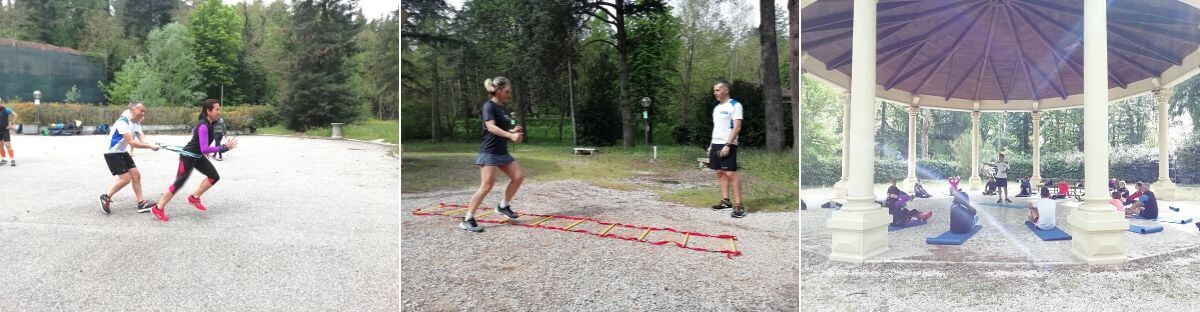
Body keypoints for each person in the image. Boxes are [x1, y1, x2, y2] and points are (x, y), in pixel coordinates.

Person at [145, 99, 239, 221]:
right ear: (208, 111)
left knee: (213, 176)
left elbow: (201, 145)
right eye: (217, 109)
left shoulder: (210, 123)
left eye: (219, 109)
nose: (219, 112)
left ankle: (194, 197)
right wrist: (224, 147)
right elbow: (204, 148)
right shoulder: (203, 125)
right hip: (188, 157)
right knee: (179, 182)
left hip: (197, 156)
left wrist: (206, 151)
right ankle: (158, 208)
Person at [459, 77, 525, 232]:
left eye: (510, 92)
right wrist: (510, 136)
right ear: (499, 90)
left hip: (502, 151)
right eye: (507, 91)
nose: (510, 95)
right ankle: (467, 219)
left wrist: (513, 131)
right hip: (489, 151)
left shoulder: (503, 108)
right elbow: (490, 127)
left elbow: (502, 130)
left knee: (518, 177)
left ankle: (503, 206)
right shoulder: (488, 106)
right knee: (487, 185)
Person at [99, 102, 160, 213]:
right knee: (125, 179)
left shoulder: (136, 124)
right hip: (112, 153)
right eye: (141, 110)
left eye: (144, 111)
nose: (143, 113)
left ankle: (141, 203)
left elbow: (143, 140)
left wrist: (154, 144)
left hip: (122, 152)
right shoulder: (123, 122)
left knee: (136, 175)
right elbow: (132, 142)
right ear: (133, 110)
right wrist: (150, 147)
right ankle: (105, 197)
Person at [707, 79, 747, 218]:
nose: (715, 93)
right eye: (714, 91)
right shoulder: (717, 108)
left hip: (728, 143)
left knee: (730, 174)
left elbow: (737, 127)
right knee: (719, 172)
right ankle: (725, 201)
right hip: (716, 143)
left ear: (726, 90)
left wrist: (728, 145)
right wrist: (711, 145)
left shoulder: (735, 105)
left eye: (717, 90)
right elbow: (717, 128)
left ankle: (739, 205)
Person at [0, 100, 17, 166]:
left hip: (5, 130)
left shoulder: (6, 110)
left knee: (7, 145)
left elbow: (15, 115)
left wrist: (12, 123)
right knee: (0, 146)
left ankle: (12, 160)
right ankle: (4, 159)